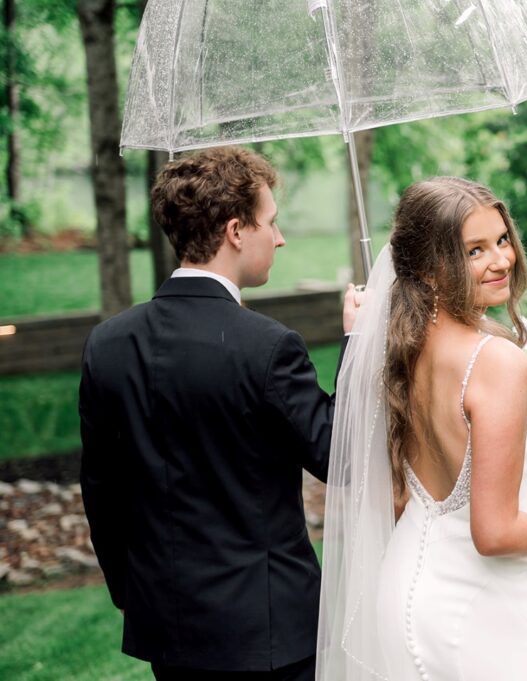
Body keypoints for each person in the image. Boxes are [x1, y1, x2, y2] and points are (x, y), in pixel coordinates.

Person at [315, 177, 527, 681]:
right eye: (474, 250)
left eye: (501, 239)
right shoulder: (496, 361)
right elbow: (493, 533)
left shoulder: (399, 343)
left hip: (405, 585)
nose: (502, 260)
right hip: (479, 610)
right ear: (428, 269)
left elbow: (406, 492)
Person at [80, 146, 358, 681]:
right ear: (236, 230)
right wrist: (357, 344)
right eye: (271, 223)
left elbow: (101, 490)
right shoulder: (269, 346)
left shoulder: (107, 344)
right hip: (270, 632)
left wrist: (129, 592)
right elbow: (338, 455)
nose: (279, 238)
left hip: (168, 626)